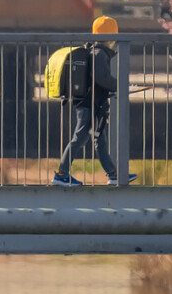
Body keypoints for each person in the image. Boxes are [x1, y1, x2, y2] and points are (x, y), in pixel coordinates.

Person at [53, 16, 135, 187]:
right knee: (80, 137)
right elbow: (101, 78)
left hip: (91, 104)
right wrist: (121, 84)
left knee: (99, 139)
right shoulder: (99, 53)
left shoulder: (94, 50)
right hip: (89, 105)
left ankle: (113, 175)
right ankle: (61, 174)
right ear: (112, 36)